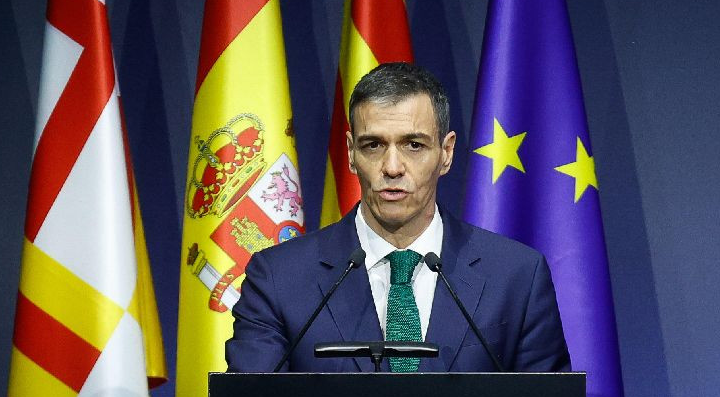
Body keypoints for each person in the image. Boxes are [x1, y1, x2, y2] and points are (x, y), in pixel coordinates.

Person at [226, 62, 569, 372]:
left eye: (413, 145)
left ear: (446, 152)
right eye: (373, 145)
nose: (392, 167)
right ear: (351, 153)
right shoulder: (278, 279)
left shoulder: (516, 277)